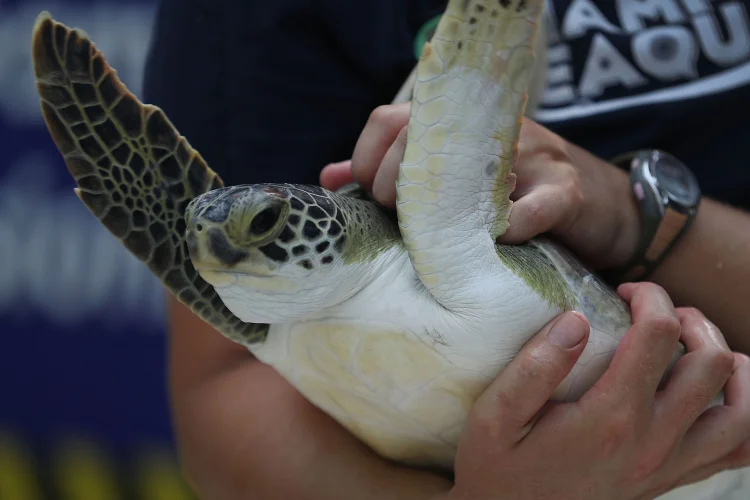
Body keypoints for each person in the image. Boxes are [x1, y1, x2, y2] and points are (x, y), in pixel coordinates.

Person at [142, 0, 750, 498]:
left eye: (268, 225)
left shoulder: (442, 214)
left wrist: (625, 211)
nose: (218, 253)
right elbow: (218, 393)